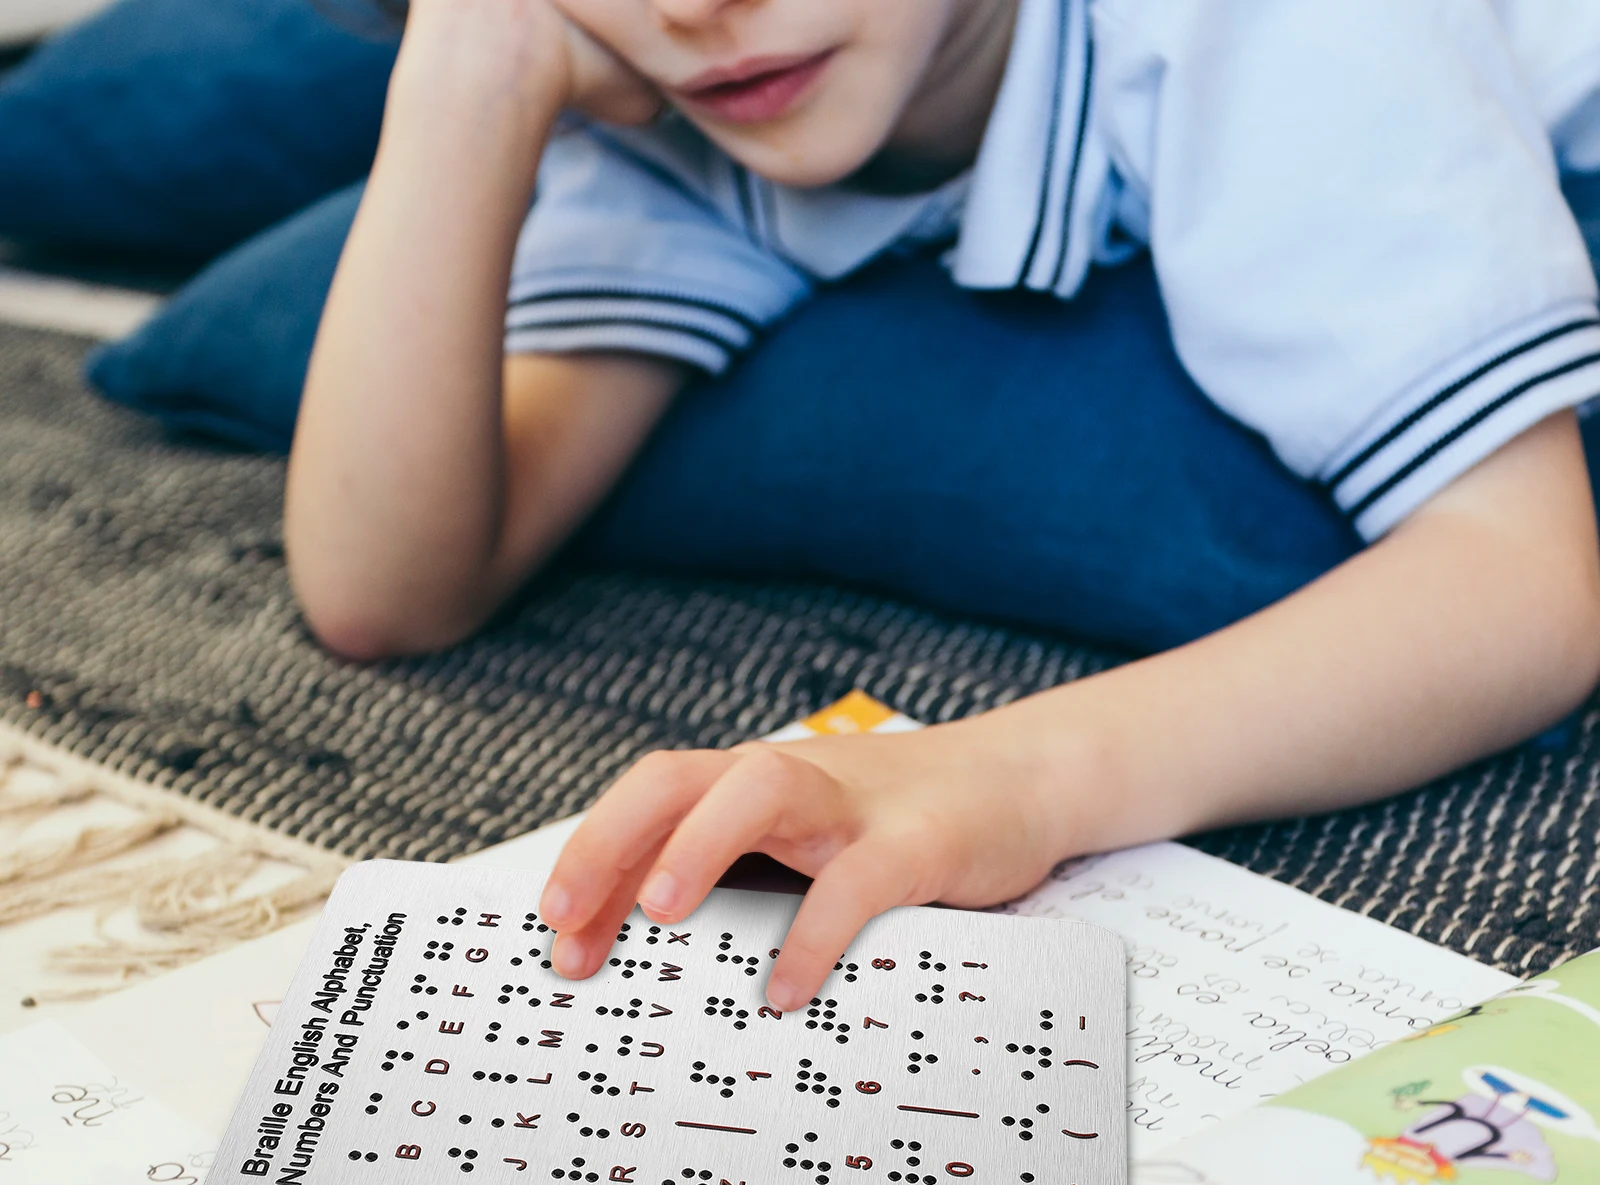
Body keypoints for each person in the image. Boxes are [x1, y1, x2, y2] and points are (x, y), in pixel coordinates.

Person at [286, 0, 1600, 1011]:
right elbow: (384, 587)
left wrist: (1001, 777)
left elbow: (1524, 581)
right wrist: (465, 81)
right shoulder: (701, 103)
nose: (688, 7)